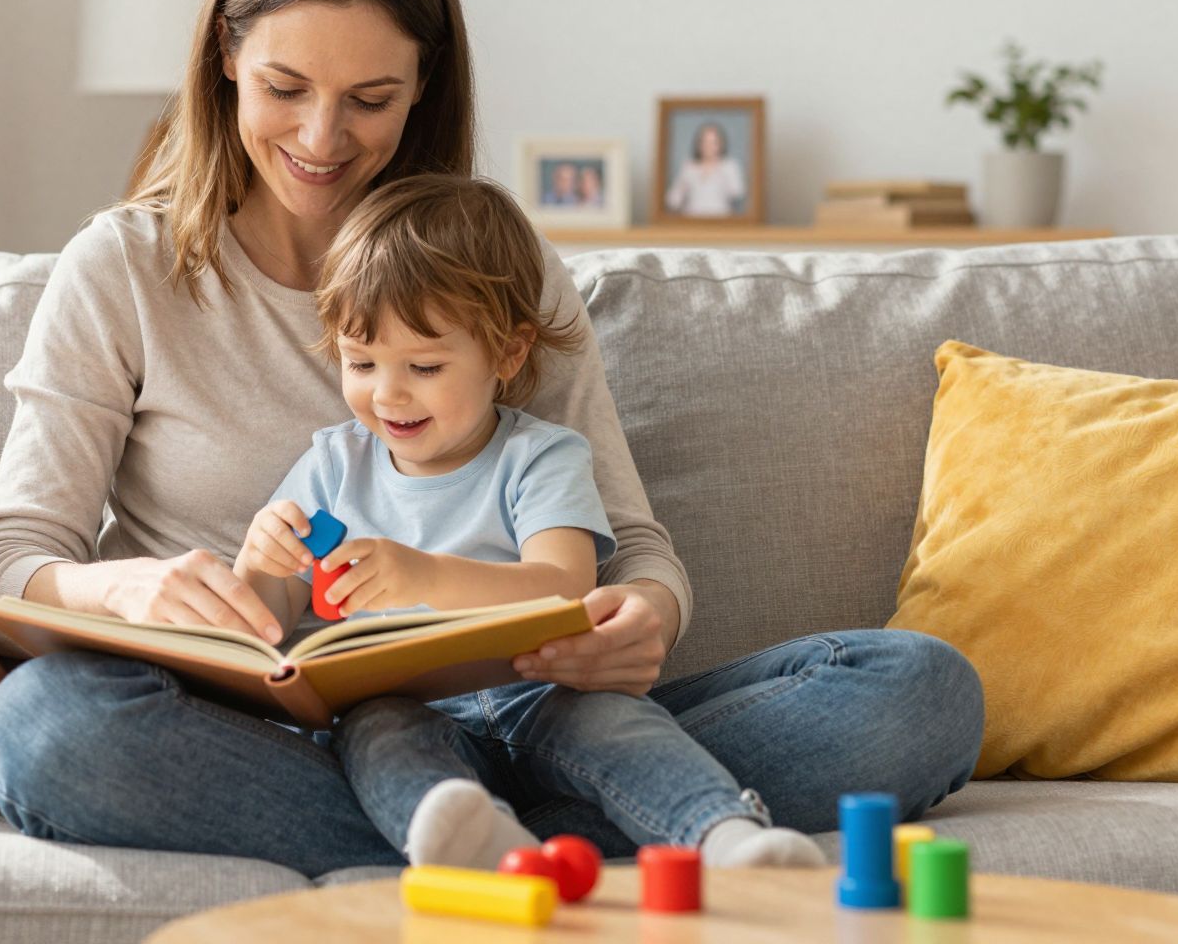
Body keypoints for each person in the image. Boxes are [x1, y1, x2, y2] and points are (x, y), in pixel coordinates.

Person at [0, 0, 983, 877]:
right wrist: (128, 590)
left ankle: (475, 842)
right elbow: (11, 560)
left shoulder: (493, 266)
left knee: (915, 687)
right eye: (285, 89)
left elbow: (628, 547)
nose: (321, 140)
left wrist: (644, 622)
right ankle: (585, 838)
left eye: (368, 99)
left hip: (522, 717)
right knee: (43, 729)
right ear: (225, 56)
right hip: (252, 739)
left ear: (422, 85)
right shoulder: (123, 268)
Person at [235, 174, 829, 870]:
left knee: (615, 723)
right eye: (360, 361)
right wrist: (261, 561)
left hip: (539, 695)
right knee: (377, 734)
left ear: (508, 354)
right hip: (402, 709)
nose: (387, 393)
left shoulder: (538, 456)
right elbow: (267, 620)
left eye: (424, 366)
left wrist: (425, 575)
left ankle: (724, 836)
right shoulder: (333, 464)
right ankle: (474, 841)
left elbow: (562, 587)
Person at [664, 121, 746, 218]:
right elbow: (673, 200)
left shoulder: (729, 165)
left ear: (721, 144)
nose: (709, 146)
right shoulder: (689, 166)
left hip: (721, 220)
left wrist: (721, 171)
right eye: (705, 142)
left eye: (713, 142)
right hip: (691, 220)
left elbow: (738, 193)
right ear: (698, 144)